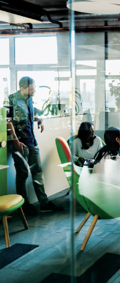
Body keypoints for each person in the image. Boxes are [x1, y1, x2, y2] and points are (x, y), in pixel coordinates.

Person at [8, 76, 63, 215]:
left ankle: (44, 203)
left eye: (34, 88)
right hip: (20, 143)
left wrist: (39, 118)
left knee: (37, 171)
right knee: (22, 174)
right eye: (31, 88)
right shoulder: (11, 100)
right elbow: (7, 122)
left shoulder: (30, 99)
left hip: (31, 141)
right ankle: (24, 206)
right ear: (22, 88)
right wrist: (15, 140)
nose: (34, 91)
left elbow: (28, 115)